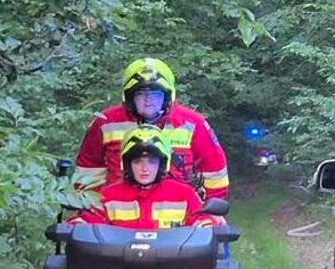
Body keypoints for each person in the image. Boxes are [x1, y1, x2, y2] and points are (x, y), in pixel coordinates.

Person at [73, 58, 230, 201]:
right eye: (141, 94)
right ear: (129, 96)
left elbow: (215, 172)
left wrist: (209, 212)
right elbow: (88, 170)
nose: (148, 100)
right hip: (120, 214)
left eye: (155, 94)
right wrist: (91, 207)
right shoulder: (106, 122)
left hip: (179, 216)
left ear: (168, 96)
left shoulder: (193, 124)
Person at [70, 127, 206, 229]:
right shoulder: (107, 196)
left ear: (162, 164)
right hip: (117, 265)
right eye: (137, 161)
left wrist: (210, 222)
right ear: (127, 164)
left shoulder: (184, 194)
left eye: (151, 161)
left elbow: (204, 219)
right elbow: (85, 221)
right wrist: (76, 226)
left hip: (172, 265)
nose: (144, 168)